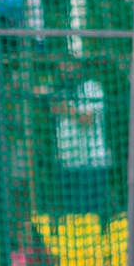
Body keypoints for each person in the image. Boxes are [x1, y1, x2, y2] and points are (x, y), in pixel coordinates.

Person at [49, 61, 113, 216]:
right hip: (69, 163)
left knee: (92, 212)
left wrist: (68, 109)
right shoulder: (61, 91)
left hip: (92, 163)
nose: (67, 69)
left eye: (71, 65)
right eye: (65, 65)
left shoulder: (92, 88)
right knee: (73, 215)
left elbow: (87, 119)